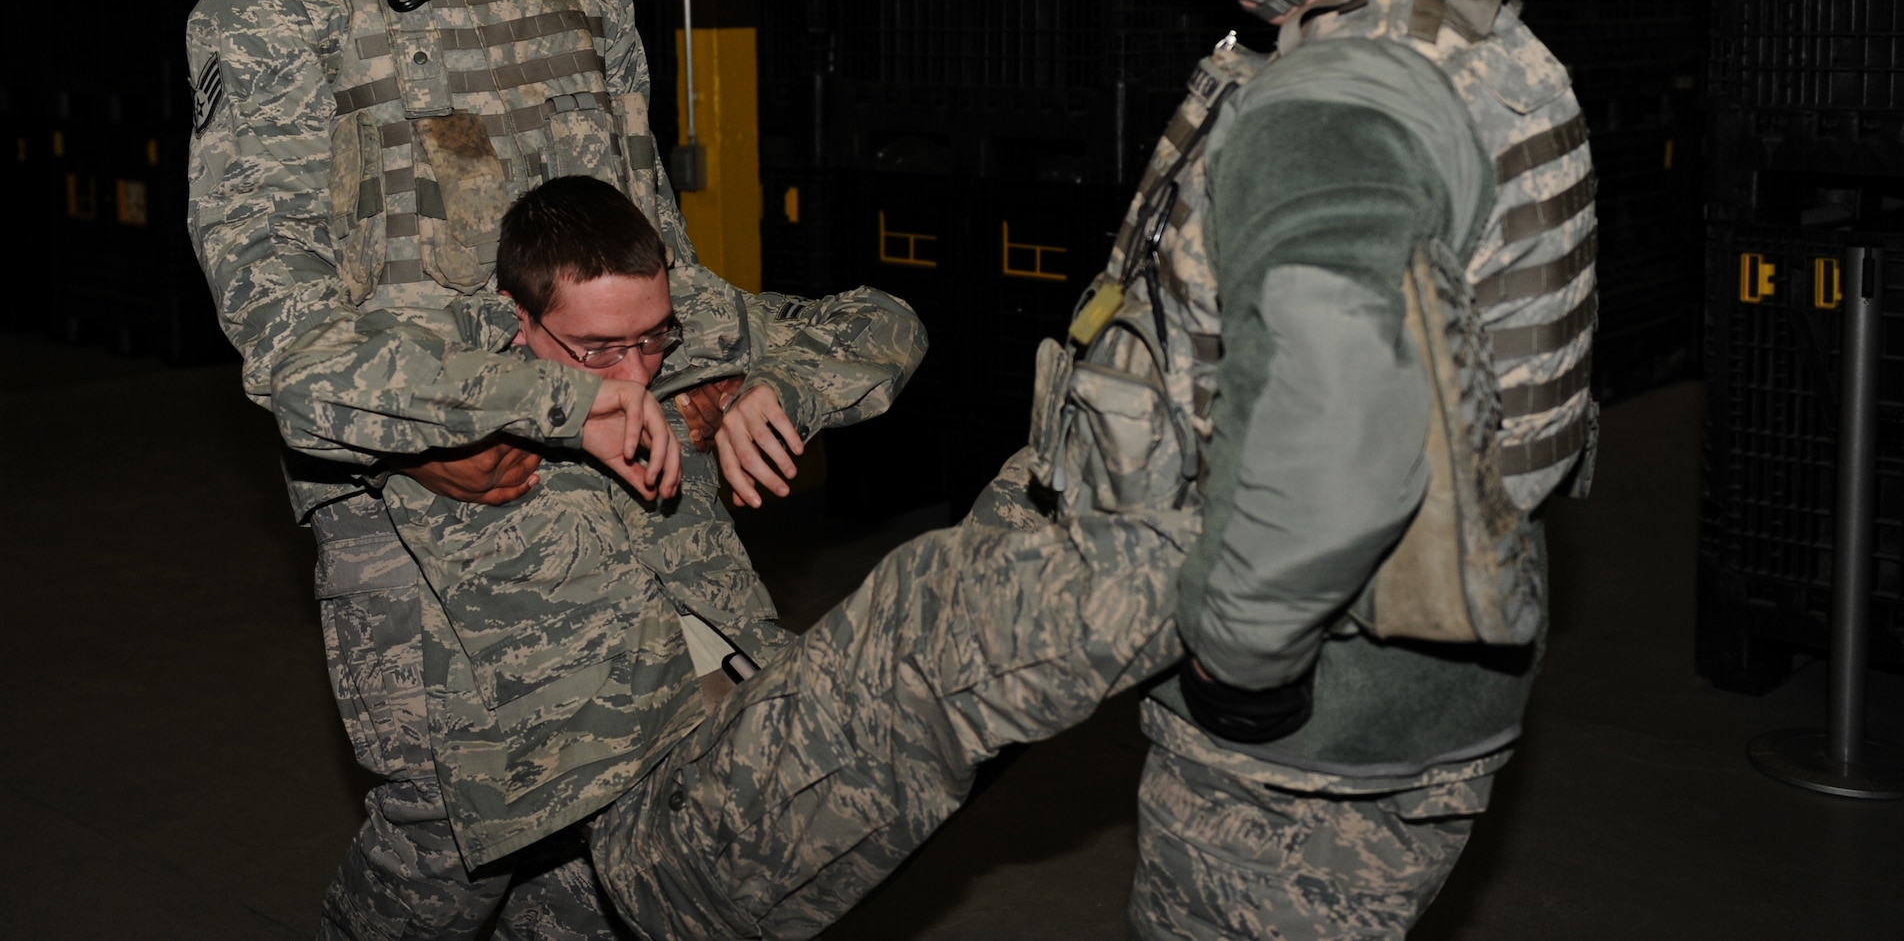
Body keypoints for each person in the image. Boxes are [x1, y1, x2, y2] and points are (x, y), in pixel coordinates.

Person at [183, 0, 915, 938]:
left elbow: (649, 251)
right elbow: (278, 311)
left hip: (614, 460)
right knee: (448, 832)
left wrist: (708, 376)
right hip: (408, 489)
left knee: (624, 814)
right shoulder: (277, 5)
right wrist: (434, 435)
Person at [997, 0, 1598, 939]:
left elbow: (1334, 430)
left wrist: (1237, 656)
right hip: (1447, 700)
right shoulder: (1489, 45)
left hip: (1314, 735)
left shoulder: (1335, 99)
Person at [270, 173, 1204, 940]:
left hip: (702, 730)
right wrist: (541, 410)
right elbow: (305, 389)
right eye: (597, 348)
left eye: (652, 337)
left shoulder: (679, 350)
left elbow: (888, 321)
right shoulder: (439, 404)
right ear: (515, 319)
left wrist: (780, 388)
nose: (634, 372)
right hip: (530, 779)